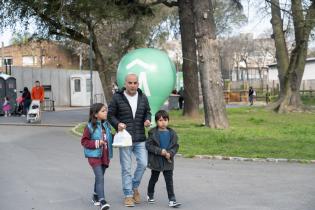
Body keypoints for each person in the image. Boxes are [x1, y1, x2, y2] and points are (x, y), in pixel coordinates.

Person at [108, 73, 151, 207]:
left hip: (140, 138)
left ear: (138, 84)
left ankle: (134, 187)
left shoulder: (143, 97)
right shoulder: (117, 97)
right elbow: (110, 115)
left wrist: (147, 119)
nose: (132, 85)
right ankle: (128, 195)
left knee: (143, 163)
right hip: (125, 139)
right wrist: (117, 124)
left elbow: (147, 111)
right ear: (125, 83)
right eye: (130, 83)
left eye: (135, 83)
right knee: (126, 168)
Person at [146, 110, 181, 208]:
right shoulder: (152, 133)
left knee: (169, 181)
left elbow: (175, 146)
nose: (163, 122)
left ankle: (172, 200)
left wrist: (170, 153)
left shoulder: (172, 133)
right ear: (157, 121)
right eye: (160, 120)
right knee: (154, 178)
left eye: (165, 120)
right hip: (156, 161)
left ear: (168, 121)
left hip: (168, 162)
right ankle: (150, 194)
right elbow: (148, 145)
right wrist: (160, 151)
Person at [81, 103, 113, 210]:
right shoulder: (89, 127)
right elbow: (84, 141)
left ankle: (95, 195)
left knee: (100, 176)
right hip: (94, 155)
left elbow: (109, 137)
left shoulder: (106, 125)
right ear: (95, 114)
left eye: (106, 110)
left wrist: (118, 136)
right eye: (103, 111)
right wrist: (97, 143)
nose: (106, 112)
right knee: (100, 177)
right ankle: (102, 200)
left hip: (104, 155)